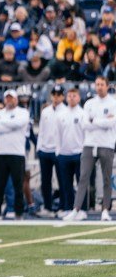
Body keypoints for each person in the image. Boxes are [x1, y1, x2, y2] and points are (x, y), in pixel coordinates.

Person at [66, 76, 116, 221]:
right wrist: (102, 121)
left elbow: (111, 123)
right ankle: (76, 209)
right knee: (83, 177)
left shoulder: (113, 103)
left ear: (107, 86)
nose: (99, 87)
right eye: (97, 84)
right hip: (89, 143)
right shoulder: (89, 103)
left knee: (106, 179)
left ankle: (105, 210)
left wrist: (94, 120)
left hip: (106, 144)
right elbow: (84, 124)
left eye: (102, 84)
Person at [0, 89, 31, 219]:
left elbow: (18, 123)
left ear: (16, 99)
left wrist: (2, 124)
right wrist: (10, 126)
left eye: (11, 98)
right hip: (0, 153)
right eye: (7, 98)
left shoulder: (23, 112)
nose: (9, 100)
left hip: (17, 153)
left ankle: (19, 212)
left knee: (18, 185)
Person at [38, 84, 66, 215]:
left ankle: (63, 207)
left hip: (59, 151)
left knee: (62, 180)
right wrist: (39, 148)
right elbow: (41, 131)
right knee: (45, 181)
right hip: (45, 150)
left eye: (58, 95)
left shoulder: (66, 111)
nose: (56, 97)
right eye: (54, 95)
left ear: (63, 97)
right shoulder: (45, 111)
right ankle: (47, 207)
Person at [58, 86, 85, 215]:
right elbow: (58, 134)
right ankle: (68, 208)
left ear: (79, 98)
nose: (72, 98)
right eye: (69, 96)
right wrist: (58, 151)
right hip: (64, 154)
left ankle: (81, 209)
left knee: (81, 183)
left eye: (74, 96)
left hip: (79, 153)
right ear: (66, 98)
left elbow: (86, 134)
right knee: (66, 184)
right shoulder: (61, 114)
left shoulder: (83, 114)